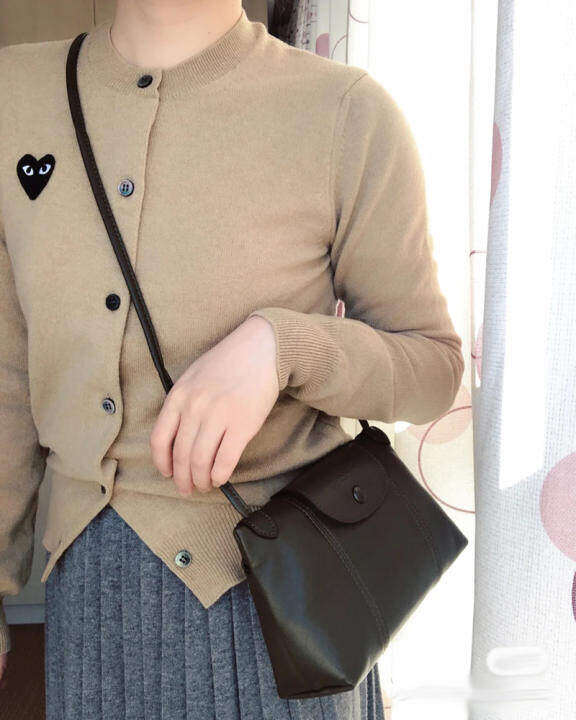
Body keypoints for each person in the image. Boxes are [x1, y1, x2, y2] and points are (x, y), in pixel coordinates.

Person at [0, 0, 464, 717]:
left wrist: (282, 346)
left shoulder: (345, 113)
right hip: (86, 606)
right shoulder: (15, 95)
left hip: (282, 607)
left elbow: (432, 369)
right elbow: (8, 378)